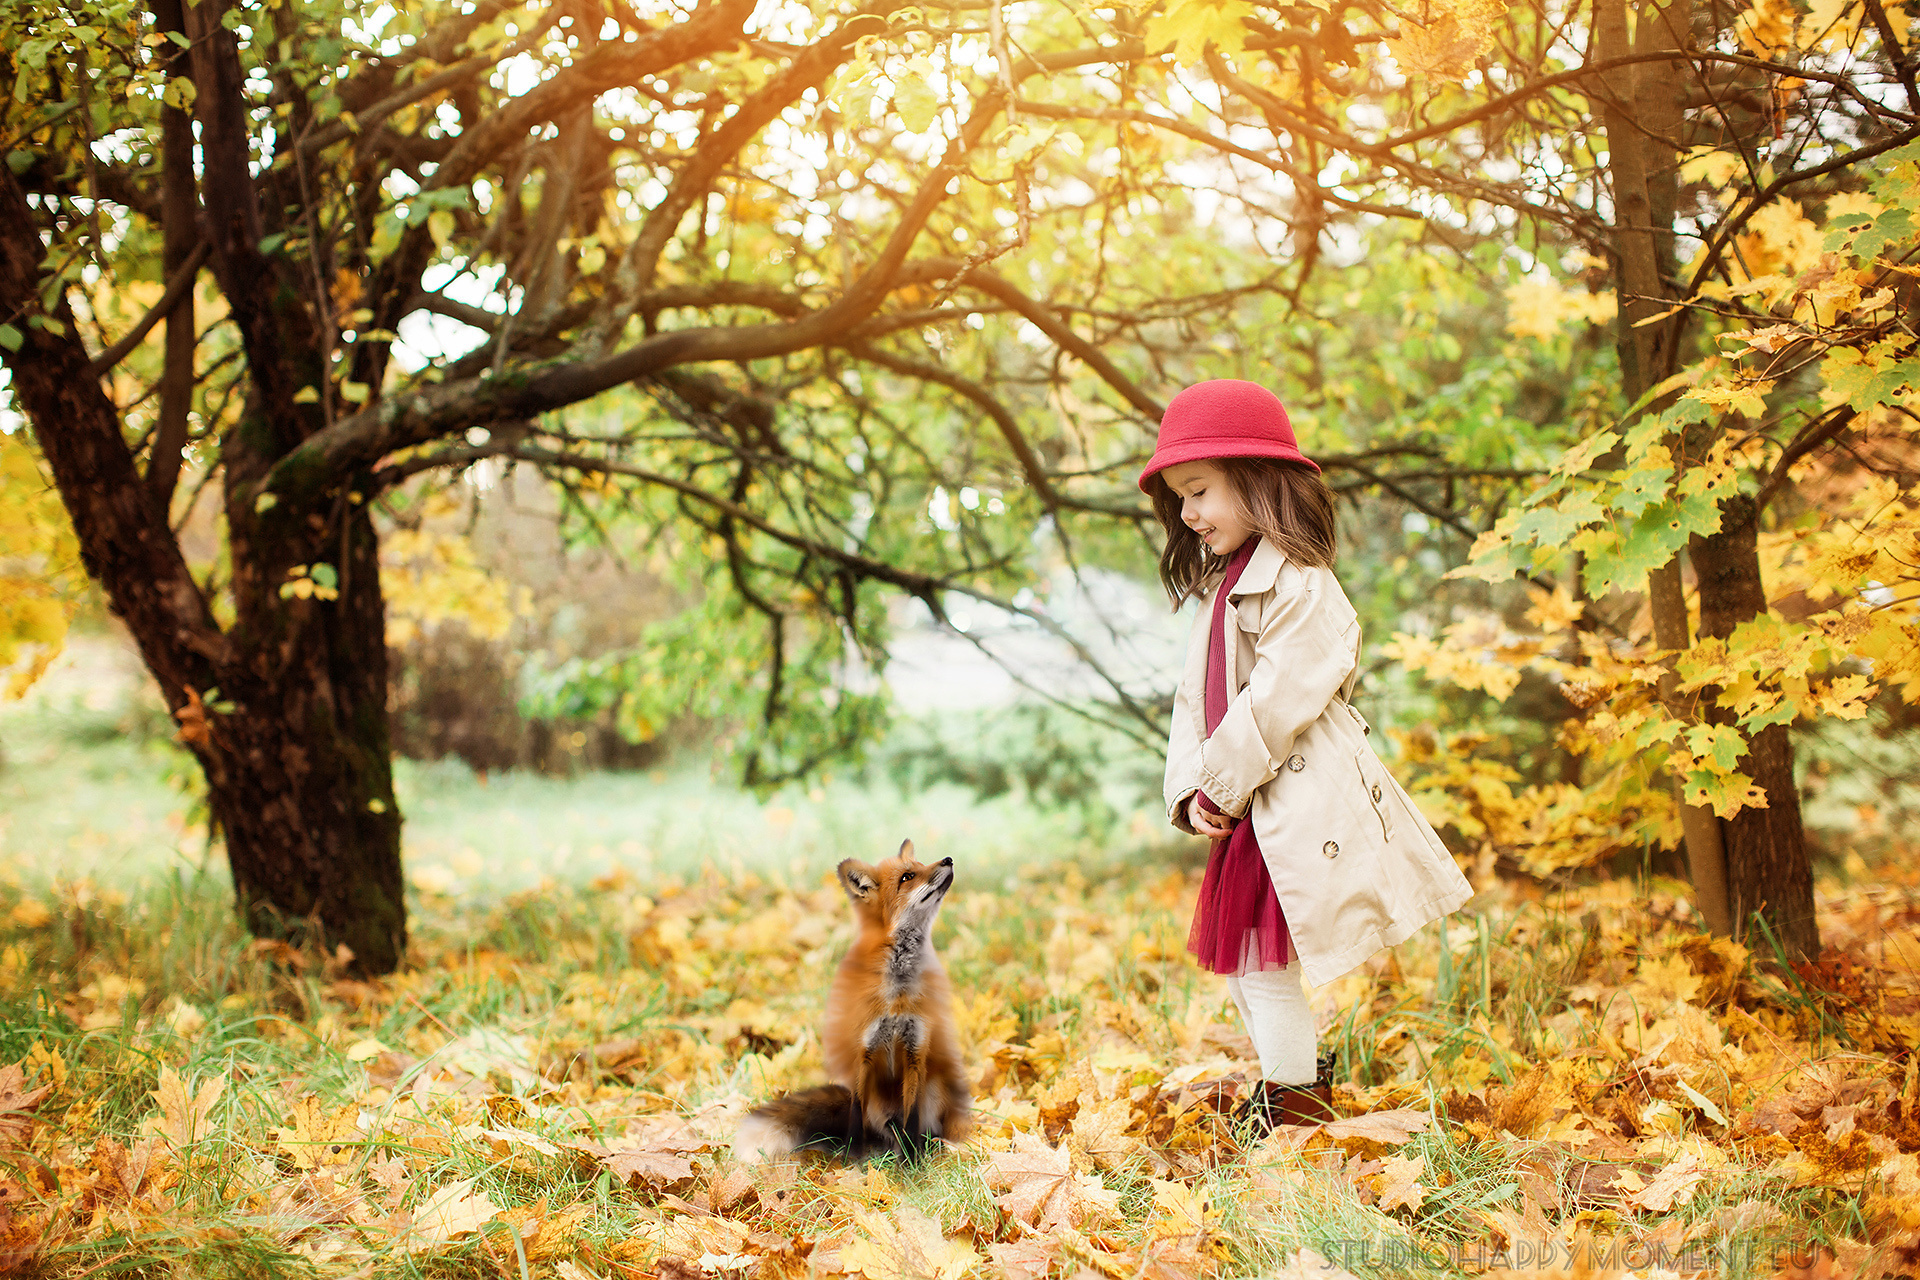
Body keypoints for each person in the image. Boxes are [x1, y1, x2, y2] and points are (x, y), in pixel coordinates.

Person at [1139, 378, 1474, 1127]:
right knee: (1243, 966)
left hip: (1286, 796)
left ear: (1258, 485)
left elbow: (1279, 698)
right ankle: (1292, 1089)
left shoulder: (1301, 582)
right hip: (1248, 802)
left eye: (1199, 491)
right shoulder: (1223, 587)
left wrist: (1219, 787)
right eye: (1179, 499)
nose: (1188, 513)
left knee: (1260, 965)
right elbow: (1195, 706)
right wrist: (1191, 792)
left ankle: (1294, 1106)